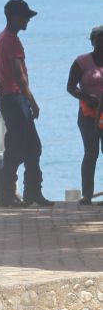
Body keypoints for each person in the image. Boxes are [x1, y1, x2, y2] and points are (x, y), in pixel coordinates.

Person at [0, 0, 53, 207]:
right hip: (16, 99)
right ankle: (14, 194)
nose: (28, 20)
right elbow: (20, 77)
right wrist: (33, 102)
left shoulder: (3, 38)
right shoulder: (12, 41)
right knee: (22, 147)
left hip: (10, 98)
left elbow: (0, 71)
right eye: (25, 17)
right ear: (14, 17)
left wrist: (1, 84)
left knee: (27, 147)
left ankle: (27, 193)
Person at [66, 26, 103, 205]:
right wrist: (86, 98)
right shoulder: (81, 62)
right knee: (91, 152)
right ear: (92, 41)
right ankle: (87, 194)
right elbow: (70, 87)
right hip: (88, 113)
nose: (102, 44)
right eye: (99, 41)